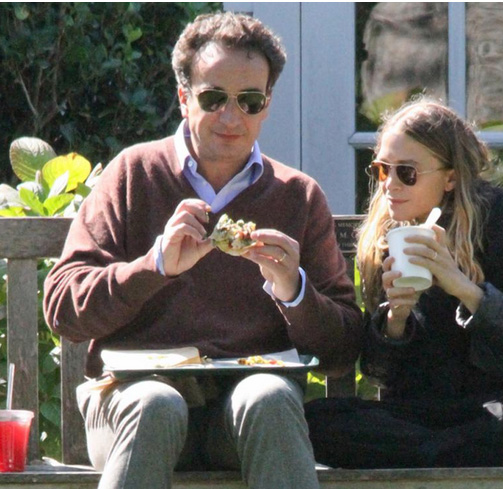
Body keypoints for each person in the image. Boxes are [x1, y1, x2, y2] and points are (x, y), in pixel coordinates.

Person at [43, 11, 362, 489]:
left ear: (267, 104)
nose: (231, 117)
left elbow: (342, 349)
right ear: (183, 97)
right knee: (156, 404)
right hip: (130, 405)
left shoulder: (297, 196)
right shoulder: (133, 175)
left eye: (249, 100)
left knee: (269, 396)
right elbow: (64, 309)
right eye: (213, 98)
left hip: (241, 419)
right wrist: (153, 266)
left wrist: (294, 292)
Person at [305, 97, 503, 468]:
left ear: (451, 176)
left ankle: (442, 450)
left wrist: (463, 287)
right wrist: (395, 319)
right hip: (421, 413)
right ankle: (471, 449)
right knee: (315, 421)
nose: (389, 186)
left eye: (406, 173)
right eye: (383, 170)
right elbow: (380, 375)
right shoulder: (385, 234)